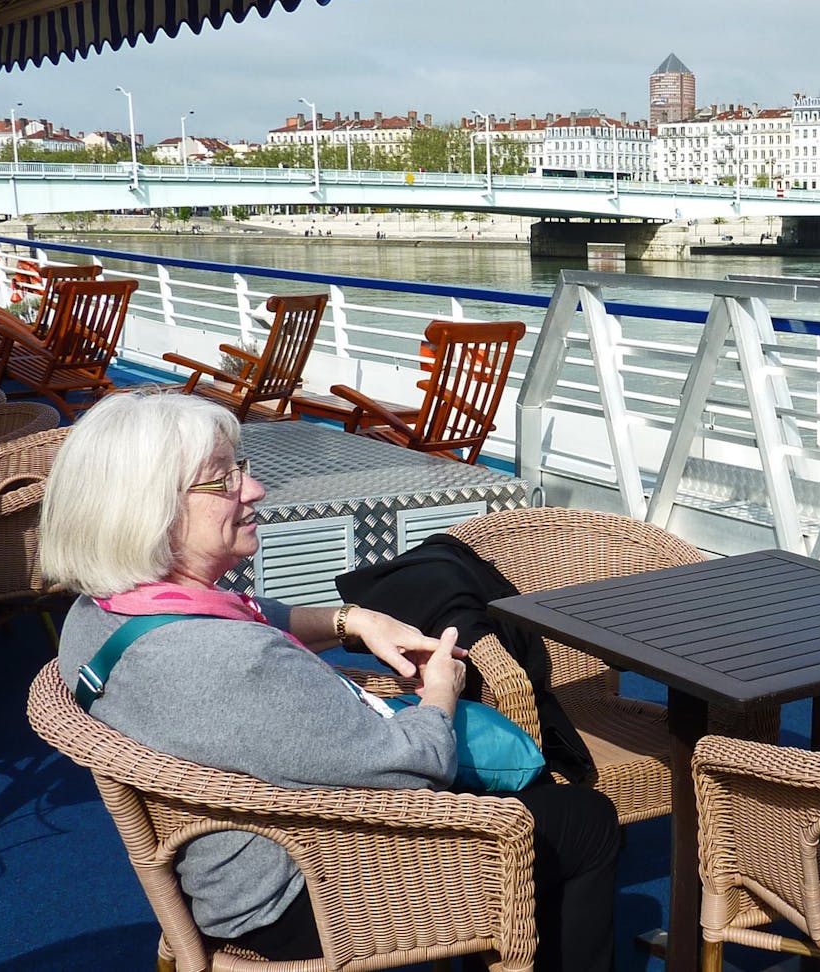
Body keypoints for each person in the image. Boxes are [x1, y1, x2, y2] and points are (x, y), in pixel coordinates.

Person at [40, 392, 619, 970]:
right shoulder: (230, 659)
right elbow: (413, 766)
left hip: (218, 859)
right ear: (151, 513)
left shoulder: (102, 614)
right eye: (223, 481)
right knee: (582, 820)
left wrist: (352, 620)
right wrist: (440, 687)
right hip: (303, 887)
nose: (255, 489)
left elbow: (251, 611)